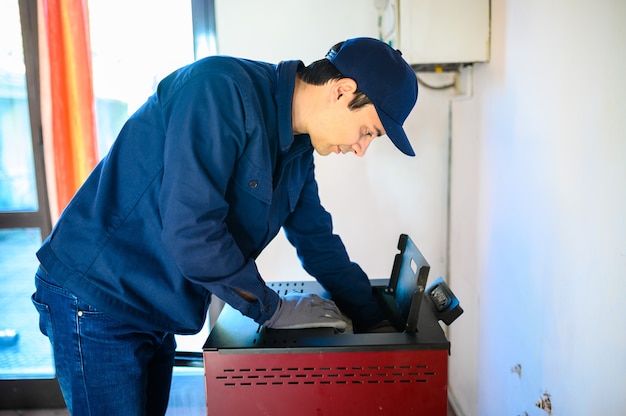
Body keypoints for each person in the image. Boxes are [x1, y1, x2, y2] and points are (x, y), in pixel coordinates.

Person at [31, 37, 418, 415]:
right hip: (97, 294)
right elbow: (193, 233)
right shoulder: (220, 91)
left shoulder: (298, 152)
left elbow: (318, 241)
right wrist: (272, 309)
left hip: (152, 302)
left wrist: (375, 320)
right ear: (341, 91)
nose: (360, 148)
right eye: (368, 131)